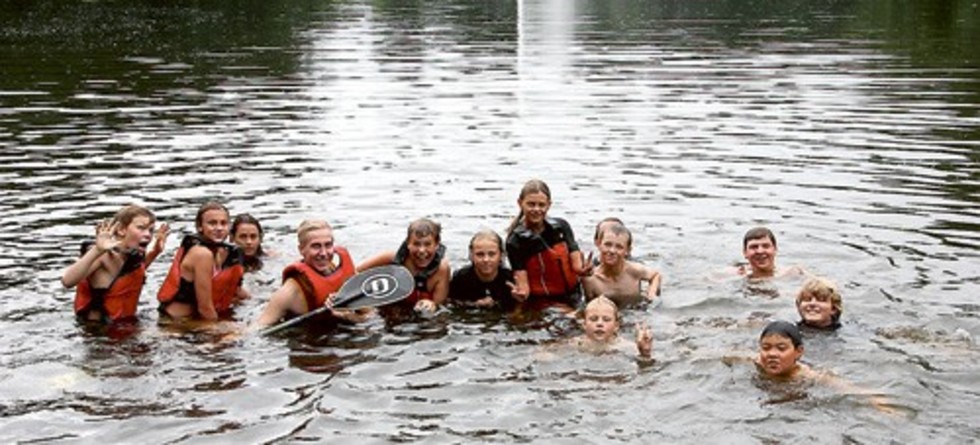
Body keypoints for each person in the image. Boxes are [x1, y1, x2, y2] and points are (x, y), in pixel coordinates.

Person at [723, 321, 898, 413]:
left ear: (798, 352)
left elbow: (847, 388)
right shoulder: (756, 361)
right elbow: (721, 355)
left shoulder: (808, 375)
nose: (772, 354)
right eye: (766, 348)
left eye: (781, 348)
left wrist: (878, 403)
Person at [61, 205, 170, 323]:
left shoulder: (133, 254)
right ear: (121, 230)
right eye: (141, 228)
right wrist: (97, 250)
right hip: (99, 331)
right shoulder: (103, 256)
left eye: (151, 230)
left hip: (123, 325)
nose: (148, 234)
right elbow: (67, 281)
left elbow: (130, 275)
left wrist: (155, 252)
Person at [255, 220, 366, 327]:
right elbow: (257, 329)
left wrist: (347, 315)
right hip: (309, 341)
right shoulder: (289, 292)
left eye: (328, 245)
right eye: (316, 246)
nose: (323, 253)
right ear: (301, 249)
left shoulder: (346, 274)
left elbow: (370, 315)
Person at [505, 179, 589, 313]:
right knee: (574, 321)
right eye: (531, 204)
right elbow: (523, 284)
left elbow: (577, 265)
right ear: (520, 203)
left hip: (574, 294)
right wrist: (521, 294)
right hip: (543, 300)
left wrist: (584, 270)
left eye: (541, 205)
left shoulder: (562, 227)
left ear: (549, 205)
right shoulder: (514, 242)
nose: (536, 209)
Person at [157, 201, 245, 321]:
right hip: (177, 324)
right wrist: (219, 330)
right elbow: (205, 308)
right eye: (212, 223)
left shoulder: (221, 252)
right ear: (199, 227)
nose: (219, 228)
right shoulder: (202, 254)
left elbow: (236, 291)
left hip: (195, 319)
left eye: (223, 223)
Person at [357, 218, 451, 314]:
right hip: (384, 311)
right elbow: (354, 273)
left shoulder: (442, 269)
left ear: (437, 244)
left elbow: (439, 304)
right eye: (416, 244)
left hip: (415, 318)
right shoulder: (389, 258)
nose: (422, 250)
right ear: (408, 243)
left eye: (427, 244)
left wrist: (431, 304)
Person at [582, 222, 662, 308]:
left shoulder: (634, 271)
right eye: (607, 244)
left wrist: (651, 294)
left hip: (637, 313)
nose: (612, 251)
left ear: (628, 250)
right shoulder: (591, 280)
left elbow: (655, 275)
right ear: (598, 244)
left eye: (619, 247)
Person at [448, 229, 519, 310]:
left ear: (501, 255)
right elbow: (451, 303)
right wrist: (474, 305)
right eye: (480, 254)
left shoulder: (510, 279)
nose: (486, 260)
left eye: (491, 254)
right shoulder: (461, 278)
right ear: (471, 255)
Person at [572, 296, 652, 359]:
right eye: (593, 319)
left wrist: (645, 352)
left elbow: (644, 369)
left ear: (616, 326)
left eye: (606, 320)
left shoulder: (624, 346)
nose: (599, 323)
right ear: (584, 324)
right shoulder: (576, 344)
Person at [734, 227, 806, 279]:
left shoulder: (792, 273)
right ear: (745, 252)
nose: (760, 251)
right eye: (754, 247)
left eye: (766, 246)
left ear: (775, 249)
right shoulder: (735, 274)